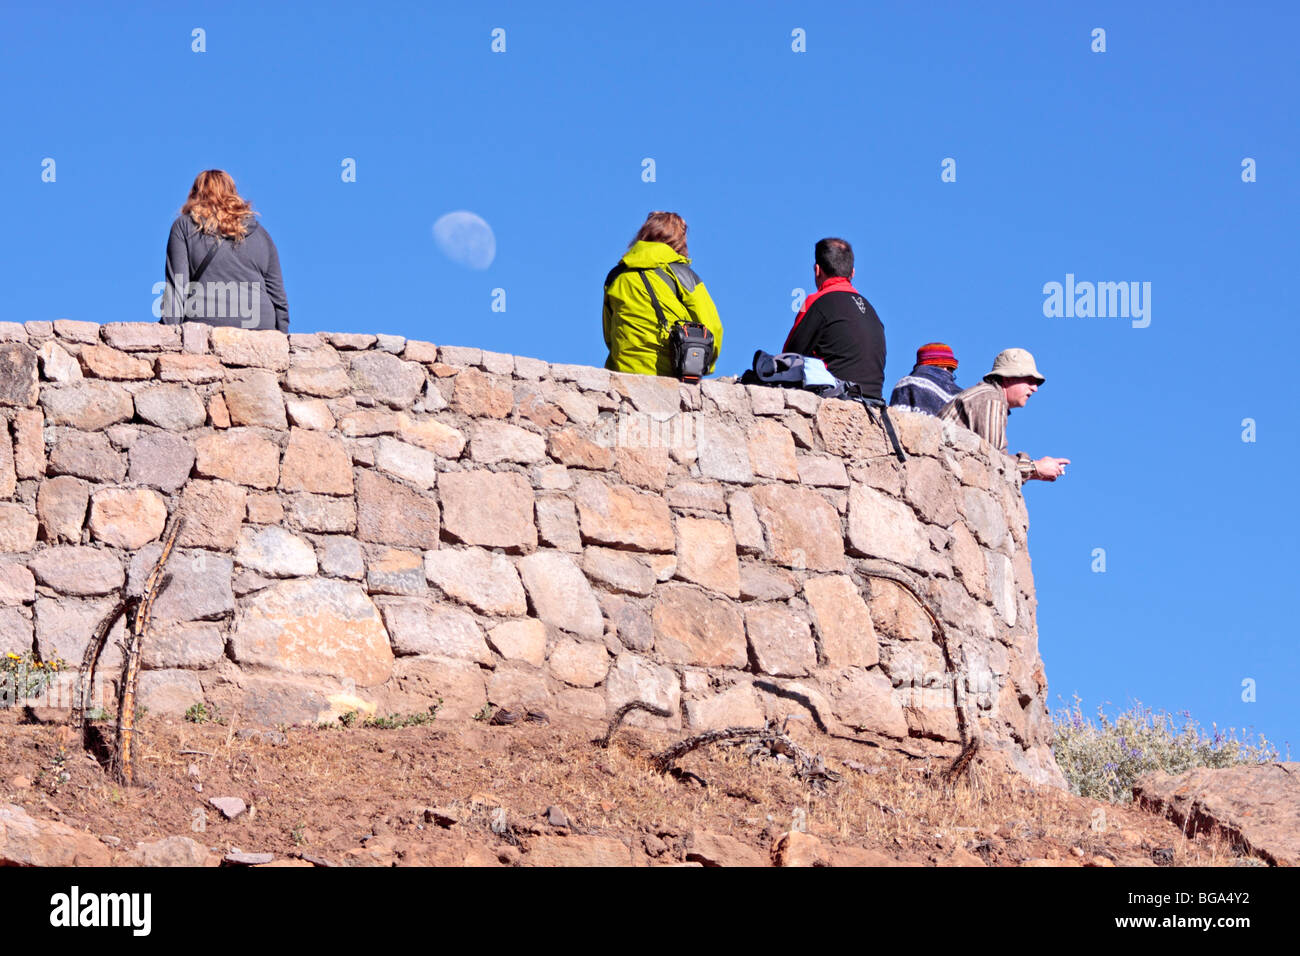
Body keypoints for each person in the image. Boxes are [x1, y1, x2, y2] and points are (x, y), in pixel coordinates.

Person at [161, 170, 289, 332]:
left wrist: (167, 334)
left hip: (205, 323)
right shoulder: (261, 235)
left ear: (195, 194)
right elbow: (278, 298)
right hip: (261, 325)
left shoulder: (184, 226)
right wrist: (283, 339)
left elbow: (177, 288)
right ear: (233, 194)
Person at [602, 212, 723, 377]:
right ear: (679, 241)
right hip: (671, 372)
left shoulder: (616, 276)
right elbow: (712, 328)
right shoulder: (682, 275)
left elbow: (609, 334)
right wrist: (705, 364)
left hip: (623, 369)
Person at [939, 348, 1070, 482]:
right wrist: (1035, 467)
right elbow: (993, 461)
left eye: (1036, 383)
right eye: (1029, 380)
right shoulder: (991, 398)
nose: (1034, 388)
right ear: (1007, 378)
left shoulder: (988, 397)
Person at [781, 237, 886, 398]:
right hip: (873, 400)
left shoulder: (817, 302)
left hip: (839, 396)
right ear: (852, 273)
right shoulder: (871, 311)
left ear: (817, 270)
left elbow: (789, 359)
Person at [889, 342, 963, 416]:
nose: (949, 372)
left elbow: (896, 420)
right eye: (950, 369)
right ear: (944, 366)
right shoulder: (963, 397)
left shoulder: (908, 383)